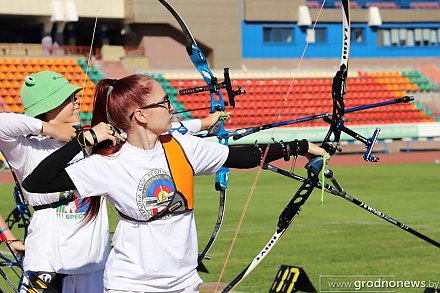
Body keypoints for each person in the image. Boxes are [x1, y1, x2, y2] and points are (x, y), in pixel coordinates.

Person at [22, 74, 328, 293]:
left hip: (183, 282)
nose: (171, 108)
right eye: (164, 103)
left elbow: (242, 156)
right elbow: (37, 182)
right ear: (141, 115)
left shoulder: (181, 145)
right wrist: (84, 139)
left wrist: (298, 146)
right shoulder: (110, 162)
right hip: (131, 285)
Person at [0, 70, 221, 292]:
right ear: (48, 105)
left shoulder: (97, 137)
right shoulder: (26, 148)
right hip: (48, 263)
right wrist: (54, 131)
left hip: (95, 263)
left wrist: (202, 123)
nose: (77, 101)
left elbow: (148, 129)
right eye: (68, 98)